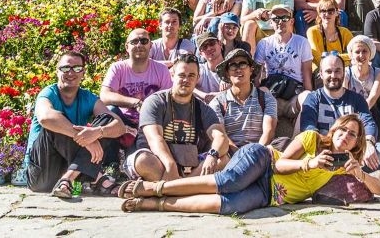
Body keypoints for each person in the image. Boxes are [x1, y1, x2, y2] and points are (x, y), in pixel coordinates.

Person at [118, 114, 380, 214]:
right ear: (334, 129)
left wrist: (361, 175)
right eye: (343, 130)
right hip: (263, 162)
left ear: (357, 141)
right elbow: (280, 165)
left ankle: (153, 203)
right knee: (227, 182)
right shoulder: (312, 138)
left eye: (353, 135)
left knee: (230, 206)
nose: (346, 136)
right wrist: (310, 163)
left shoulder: (345, 164)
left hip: (270, 195)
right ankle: (155, 187)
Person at [26, 49, 127, 197]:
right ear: (57, 71)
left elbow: (119, 126)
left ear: (83, 73)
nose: (71, 72)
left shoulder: (88, 97)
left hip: (69, 167)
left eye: (77, 68)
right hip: (41, 174)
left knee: (106, 121)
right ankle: (99, 180)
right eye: (65, 68)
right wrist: (86, 140)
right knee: (54, 123)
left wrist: (98, 132)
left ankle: (67, 179)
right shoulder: (48, 93)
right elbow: (45, 118)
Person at [125, 55, 230, 182]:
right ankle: (186, 189)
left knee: (223, 160)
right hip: (158, 160)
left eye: (191, 75)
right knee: (143, 161)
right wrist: (170, 165)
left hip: (190, 165)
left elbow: (221, 137)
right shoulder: (155, 101)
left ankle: (173, 188)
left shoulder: (203, 108)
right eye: (182, 75)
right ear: (172, 75)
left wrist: (212, 155)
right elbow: (155, 139)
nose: (186, 80)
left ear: (198, 78)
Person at [298, 53, 380, 170]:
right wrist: (328, 149)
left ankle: (353, 172)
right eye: (328, 71)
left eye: (338, 71)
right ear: (321, 74)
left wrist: (368, 142)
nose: (333, 75)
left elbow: (368, 122)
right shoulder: (313, 98)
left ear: (344, 73)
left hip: (350, 154)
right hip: (323, 153)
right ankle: (358, 174)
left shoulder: (357, 99)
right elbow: (308, 127)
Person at [252, 1, 312, 135]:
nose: (280, 22)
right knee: (261, 91)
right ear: (271, 23)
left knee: (308, 96)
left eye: (284, 18)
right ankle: (266, 138)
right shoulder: (264, 43)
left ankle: (298, 140)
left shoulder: (302, 42)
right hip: (273, 96)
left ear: (291, 21)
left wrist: (309, 95)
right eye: (276, 19)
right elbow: (257, 74)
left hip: (294, 94)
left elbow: (307, 73)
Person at [100, 28, 172, 130]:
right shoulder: (118, 68)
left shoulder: (161, 70)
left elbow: (168, 100)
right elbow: (105, 95)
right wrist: (135, 102)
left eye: (144, 41)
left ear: (150, 45)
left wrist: (148, 108)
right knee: (109, 110)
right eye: (134, 42)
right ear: (127, 47)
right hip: (123, 122)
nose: (139, 45)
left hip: (153, 122)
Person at [211, 48, 276, 148]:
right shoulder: (217, 102)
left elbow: (269, 132)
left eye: (243, 64)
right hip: (230, 156)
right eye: (233, 65)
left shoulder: (266, 99)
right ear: (227, 73)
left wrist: (253, 155)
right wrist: (240, 158)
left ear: (251, 70)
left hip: (259, 152)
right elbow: (221, 137)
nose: (238, 69)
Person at [306, 0, 352, 75]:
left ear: (337, 13)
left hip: (339, 70)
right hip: (320, 71)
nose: (327, 14)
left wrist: (332, 56)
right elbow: (317, 58)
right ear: (319, 14)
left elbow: (354, 54)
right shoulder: (312, 31)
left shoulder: (345, 32)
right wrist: (340, 57)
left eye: (331, 11)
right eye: (323, 11)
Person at [193, 31, 227, 95]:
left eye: (211, 43)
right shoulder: (199, 69)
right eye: (204, 47)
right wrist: (205, 96)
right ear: (200, 54)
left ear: (220, 44)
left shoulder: (232, 66)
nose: (209, 48)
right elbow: (187, 86)